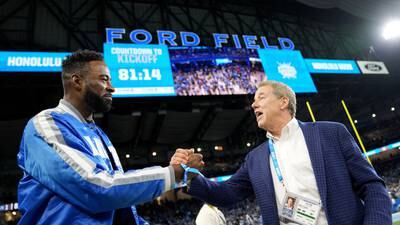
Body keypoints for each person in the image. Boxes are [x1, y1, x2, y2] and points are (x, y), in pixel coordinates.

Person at [174, 80, 392, 225]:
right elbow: (226, 194)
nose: (253, 104)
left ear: (283, 102)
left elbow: (371, 186)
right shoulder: (255, 158)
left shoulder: (330, 133)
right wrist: (188, 174)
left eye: (260, 97)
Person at [16, 50, 195, 225]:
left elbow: (120, 211)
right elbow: (96, 188)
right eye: (104, 79)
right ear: (77, 81)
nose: (112, 87)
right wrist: (173, 173)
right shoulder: (47, 123)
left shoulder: (99, 135)